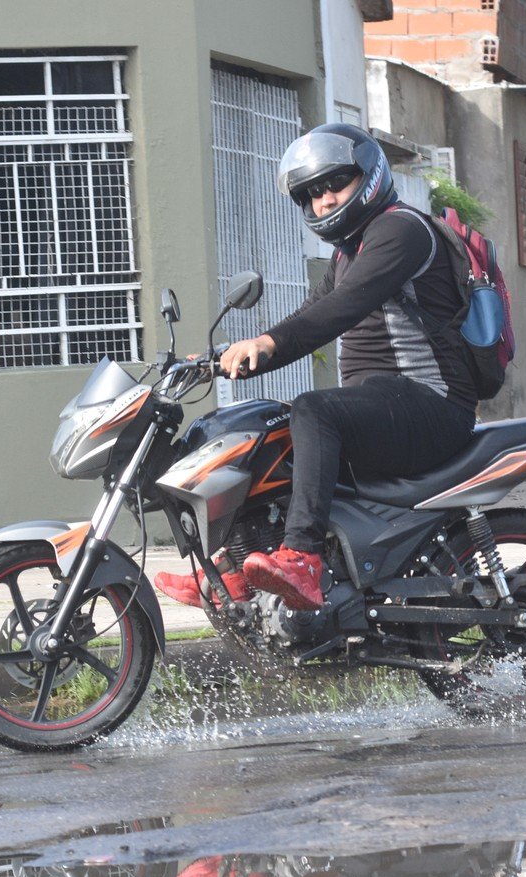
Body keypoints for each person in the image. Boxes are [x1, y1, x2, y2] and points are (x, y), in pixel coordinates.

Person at [153, 123, 481, 612]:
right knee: (264, 431)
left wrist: (266, 341)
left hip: (431, 403)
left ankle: (302, 559)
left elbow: (341, 310)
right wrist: (219, 361)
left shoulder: (401, 229)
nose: (324, 200)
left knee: (313, 411)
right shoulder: (350, 251)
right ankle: (238, 566)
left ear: (367, 175)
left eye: (334, 184)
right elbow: (307, 316)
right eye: (310, 193)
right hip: (388, 406)